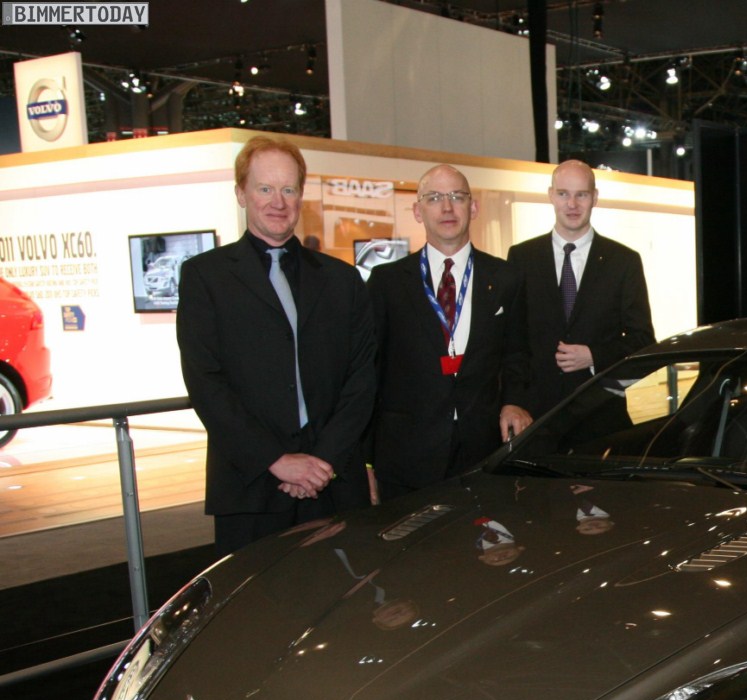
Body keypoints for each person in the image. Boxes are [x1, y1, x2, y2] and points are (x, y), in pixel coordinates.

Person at [178, 135, 376, 555]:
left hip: (334, 483)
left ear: (301, 195)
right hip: (251, 486)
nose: (278, 202)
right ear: (241, 194)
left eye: (288, 189)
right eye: (265, 188)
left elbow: (362, 377)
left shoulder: (342, 280)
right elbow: (205, 382)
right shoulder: (205, 278)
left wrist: (322, 462)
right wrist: (277, 460)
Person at [365, 165, 535, 502]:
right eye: (434, 198)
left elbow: (517, 354)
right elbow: (369, 371)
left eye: (457, 197)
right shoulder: (386, 283)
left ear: (473, 207)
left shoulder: (506, 278)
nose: (446, 207)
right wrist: (365, 459)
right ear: (418, 211)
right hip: (406, 458)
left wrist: (514, 402)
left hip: (483, 453)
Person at [507, 160, 655, 414]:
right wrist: (512, 402)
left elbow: (643, 341)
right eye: (563, 194)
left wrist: (594, 356)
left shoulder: (623, 261)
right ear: (551, 195)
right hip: (537, 415)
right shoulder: (522, 257)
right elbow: (512, 342)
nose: (572, 204)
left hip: (601, 414)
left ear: (594, 197)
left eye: (581, 195)